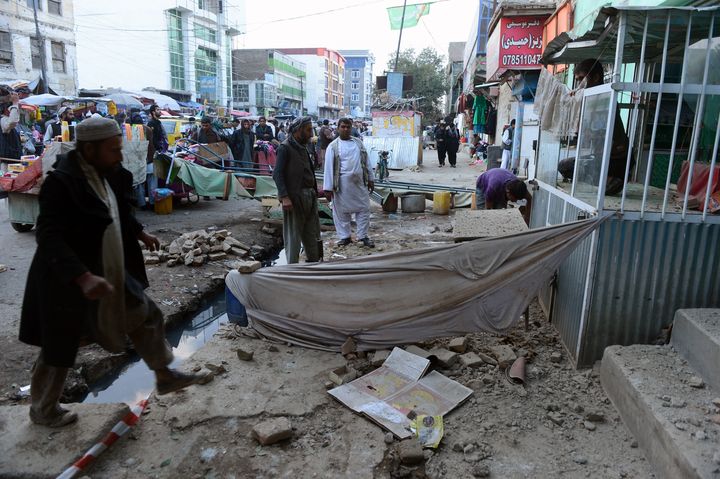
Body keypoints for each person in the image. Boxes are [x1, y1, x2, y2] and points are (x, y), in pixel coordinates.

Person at [19, 115, 211, 427]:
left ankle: (164, 376)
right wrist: (82, 276)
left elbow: (118, 210)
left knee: (146, 315)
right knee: (60, 346)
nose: (120, 155)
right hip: (68, 279)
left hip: (109, 271)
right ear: (90, 149)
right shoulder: (61, 182)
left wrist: (140, 233)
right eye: (113, 149)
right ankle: (42, 408)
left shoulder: (108, 174)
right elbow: (48, 236)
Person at [558, 58, 630, 196]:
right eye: (577, 80)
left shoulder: (605, 100)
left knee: (605, 186)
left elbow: (601, 133)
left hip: (616, 159)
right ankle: (601, 178)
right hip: (599, 157)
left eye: (581, 79)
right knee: (564, 166)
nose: (579, 84)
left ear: (595, 77)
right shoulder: (590, 99)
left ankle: (611, 178)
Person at [272, 116, 322, 264]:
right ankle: (292, 269)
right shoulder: (285, 147)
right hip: (294, 198)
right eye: (308, 130)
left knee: (311, 232)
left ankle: (314, 263)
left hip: (309, 196)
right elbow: (277, 174)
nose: (311, 133)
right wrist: (284, 196)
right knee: (293, 235)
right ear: (298, 130)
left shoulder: (303, 147)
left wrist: (314, 190)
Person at [324, 117, 375, 248]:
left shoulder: (358, 143)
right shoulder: (333, 146)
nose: (346, 129)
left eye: (348, 127)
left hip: (359, 183)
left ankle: (362, 236)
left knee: (364, 209)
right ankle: (345, 237)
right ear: (338, 128)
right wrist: (328, 188)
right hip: (342, 185)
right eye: (343, 127)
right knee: (341, 212)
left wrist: (371, 178)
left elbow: (366, 162)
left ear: (352, 128)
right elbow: (329, 168)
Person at [130, 114, 156, 209]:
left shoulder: (130, 131)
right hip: (149, 159)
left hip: (138, 161)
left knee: (139, 183)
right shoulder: (148, 129)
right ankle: (152, 202)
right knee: (152, 181)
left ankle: (142, 204)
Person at [0, 91, 21, 160]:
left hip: (10, 159)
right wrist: (15, 104)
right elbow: (12, 122)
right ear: (6, 109)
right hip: (6, 160)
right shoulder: (3, 120)